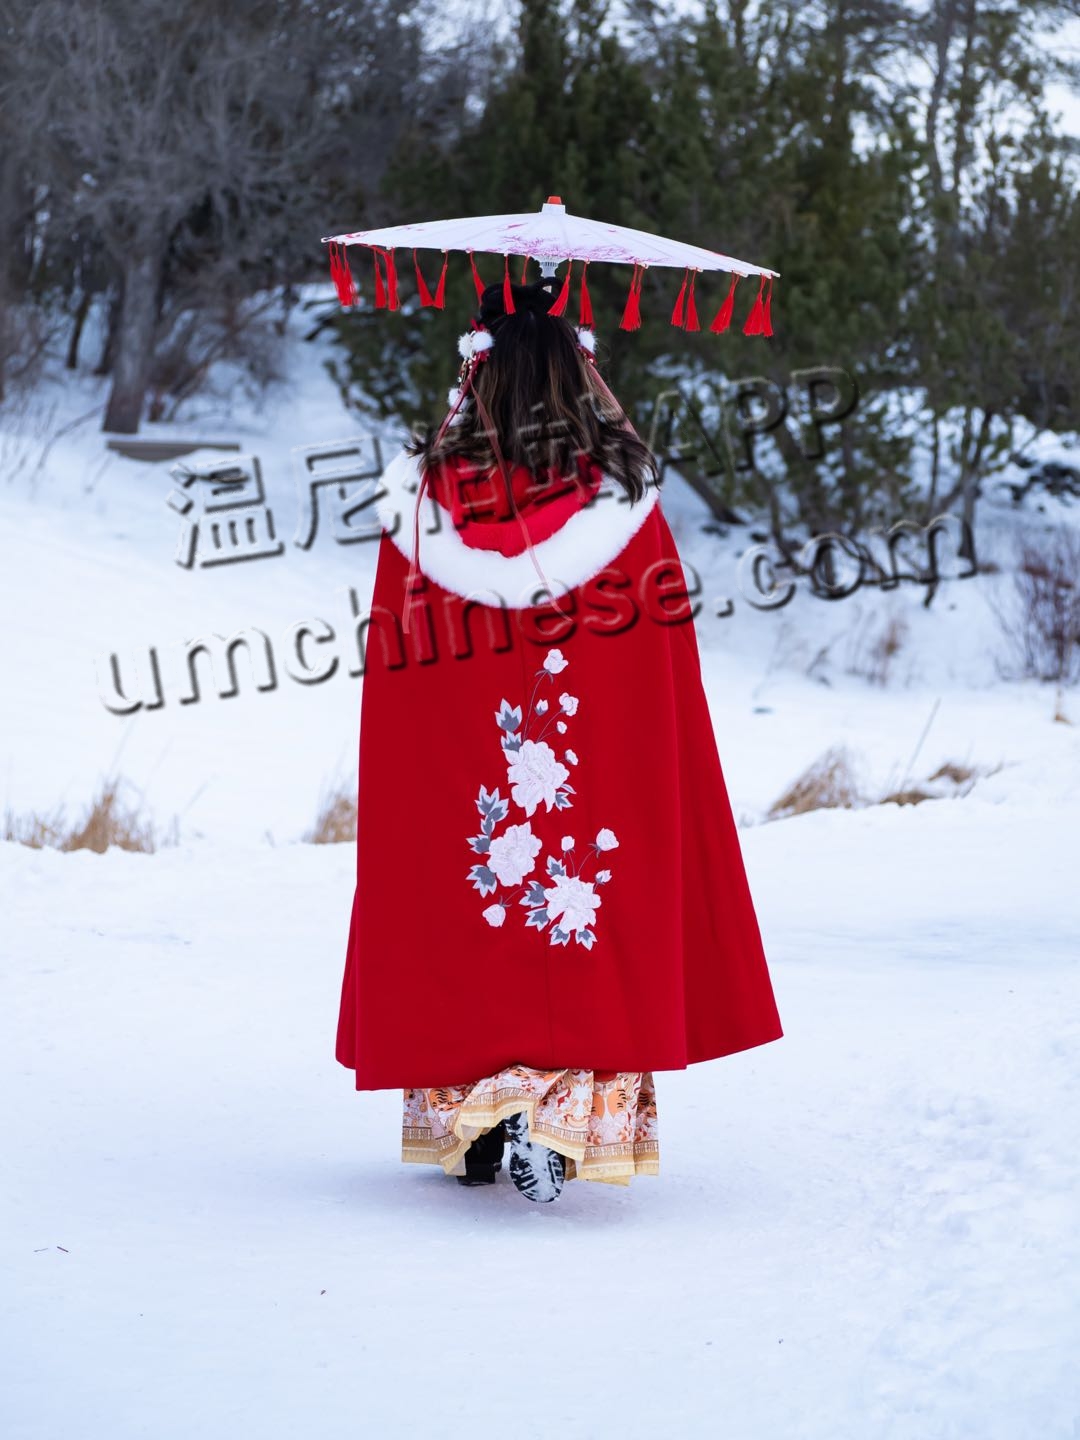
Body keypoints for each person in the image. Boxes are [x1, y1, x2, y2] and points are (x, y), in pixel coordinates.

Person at [335, 276, 783, 1203]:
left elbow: (398, 667)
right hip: (590, 766)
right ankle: (561, 1114)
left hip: (459, 771)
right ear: (579, 378)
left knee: (463, 896)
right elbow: (661, 666)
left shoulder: (420, 509)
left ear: (477, 375)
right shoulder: (621, 503)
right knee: (586, 902)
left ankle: (470, 1116)